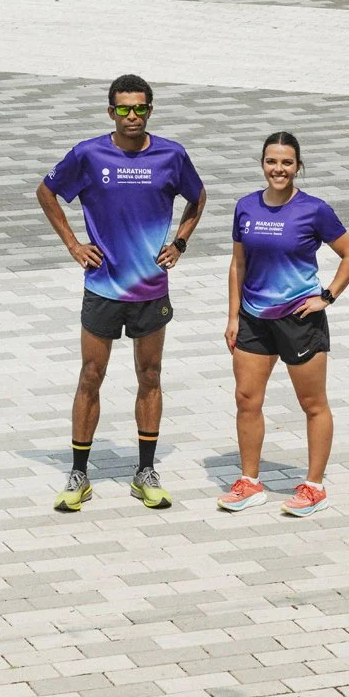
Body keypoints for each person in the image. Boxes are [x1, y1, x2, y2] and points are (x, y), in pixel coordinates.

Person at [36, 75, 206, 513]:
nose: (133, 116)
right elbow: (46, 191)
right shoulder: (90, 154)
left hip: (151, 289)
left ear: (151, 109)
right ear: (110, 111)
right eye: (124, 109)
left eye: (140, 108)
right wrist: (74, 245)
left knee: (150, 376)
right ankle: (79, 475)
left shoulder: (172, 154)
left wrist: (180, 243)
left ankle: (145, 472)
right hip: (103, 287)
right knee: (91, 375)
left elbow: (198, 196)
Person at [219, 131, 349, 517]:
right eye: (271, 161)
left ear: (298, 166)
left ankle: (314, 487)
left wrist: (327, 296)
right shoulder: (245, 207)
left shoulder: (314, 210)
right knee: (246, 399)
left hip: (300, 319)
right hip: (253, 317)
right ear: (262, 163)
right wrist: (233, 316)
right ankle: (249, 482)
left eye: (286, 162)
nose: (278, 169)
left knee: (312, 404)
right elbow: (238, 264)